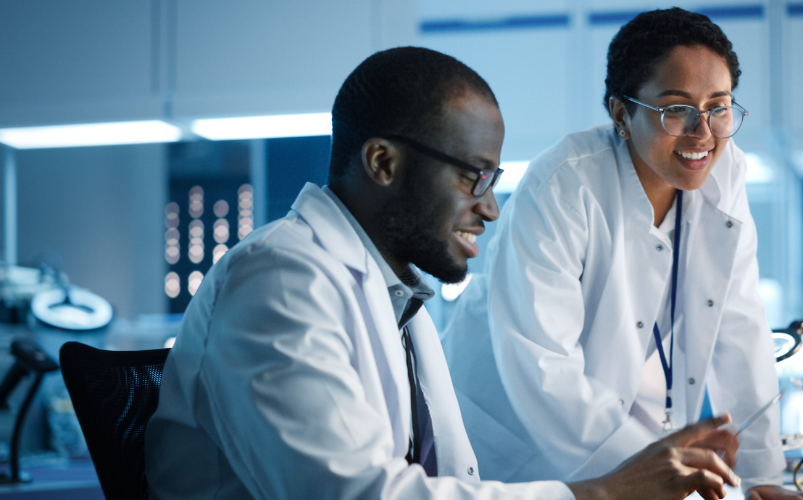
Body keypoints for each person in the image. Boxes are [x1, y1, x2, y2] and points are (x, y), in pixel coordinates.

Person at [146, 46, 742, 500]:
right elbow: (356, 494)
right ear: (383, 162)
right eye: (472, 176)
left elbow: (448, 477)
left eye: (494, 180)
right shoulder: (279, 280)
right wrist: (605, 491)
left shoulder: (393, 298)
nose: (489, 208)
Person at [442, 9, 803, 500]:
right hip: (510, 458)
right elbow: (543, 370)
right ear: (622, 114)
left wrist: (763, 476)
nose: (702, 133)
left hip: (626, 449)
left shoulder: (725, 178)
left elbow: (741, 332)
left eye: (719, 107)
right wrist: (660, 470)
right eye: (676, 109)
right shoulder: (563, 185)